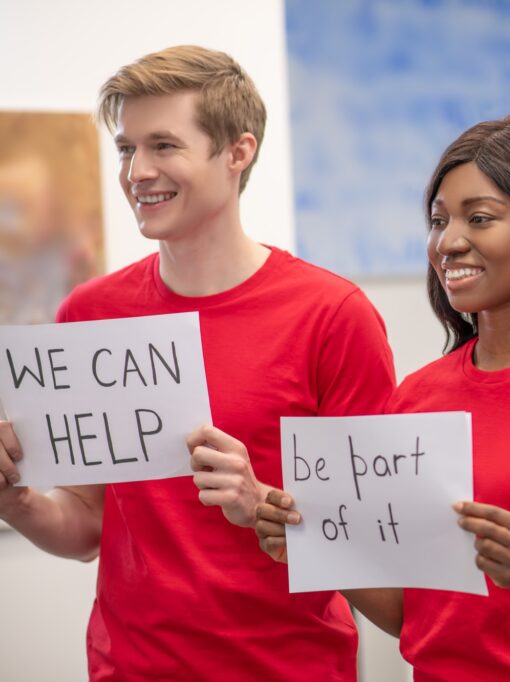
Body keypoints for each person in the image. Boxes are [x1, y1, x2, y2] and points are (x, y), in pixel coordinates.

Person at [0, 45, 395, 680]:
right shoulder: (89, 314)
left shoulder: (332, 315)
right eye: (128, 149)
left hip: (289, 668)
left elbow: (377, 544)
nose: (137, 171)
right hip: (129, 667)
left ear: (237, 152)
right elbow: (85, 525)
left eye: (164, 146)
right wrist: (15, 502)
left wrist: (258, 499)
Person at [255, 115, 510, 681]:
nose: (448, 242)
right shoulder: (417, 397)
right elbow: (416, 618)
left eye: (479, 218)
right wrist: (316, 544)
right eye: (438, 220)